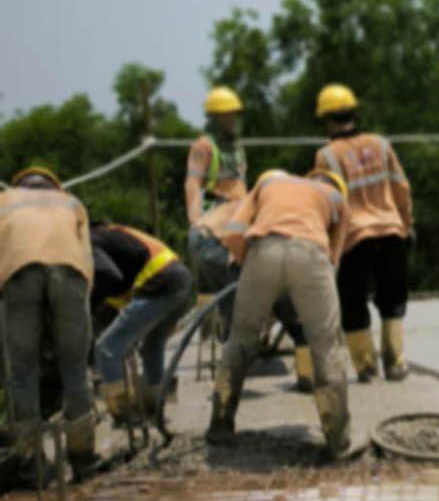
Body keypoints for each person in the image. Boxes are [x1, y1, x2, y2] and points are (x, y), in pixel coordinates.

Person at [207, 169, 352, 457]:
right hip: (312, 254)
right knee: (327, 344)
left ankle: (220, 427)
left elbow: (233, 232)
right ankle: (338, 441)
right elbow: (333, 259)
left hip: (263, 249)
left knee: (240, 340)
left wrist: (252, 268)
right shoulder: (337, 199)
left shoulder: (268, 181)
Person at [312, 84, 414, 383]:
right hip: (391, 230)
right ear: (354, 112)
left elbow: (326, 203)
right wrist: (406, 224)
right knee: (393, 298)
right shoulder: (381, 144)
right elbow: (401, 187)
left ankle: (366, 368)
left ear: (327, 119)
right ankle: (395, 362)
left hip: (354, 238)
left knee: (352, 303)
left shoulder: (327, 156)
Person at [0, 169, 95, 483]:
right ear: (54, 185)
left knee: (23, 369)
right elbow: (86, 256)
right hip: (69, 272)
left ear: (20, 185)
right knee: (75, 365)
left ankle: (32, 462)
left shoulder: (5, 200)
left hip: (19, 273)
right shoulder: (71, 202)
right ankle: (82, 459)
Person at [185, 198, 315, 390]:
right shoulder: (272, 211)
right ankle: (305, 375)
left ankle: (231, 367)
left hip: (202, 239)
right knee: (253, 294)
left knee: (238, 294)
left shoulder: (262, 201)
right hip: (213, 241)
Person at [88, 223, 193, 425]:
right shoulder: (110, 232)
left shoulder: (88, 241)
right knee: (152, 345)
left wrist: (89, 305)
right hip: (180, 280)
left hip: (160, 284)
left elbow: (110, 277)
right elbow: (123, 279)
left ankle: (124, 416)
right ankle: (155, 405)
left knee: (106, 349)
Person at [185, 86, 249, 228]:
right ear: (216, 117)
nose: (233, 119)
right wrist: (194, 220)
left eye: (234, 114)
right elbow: (193, 183)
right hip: (214, 214)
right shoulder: (203, 145)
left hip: (238, 213)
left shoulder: (237, 147)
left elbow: (241, 182)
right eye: (227, 114)